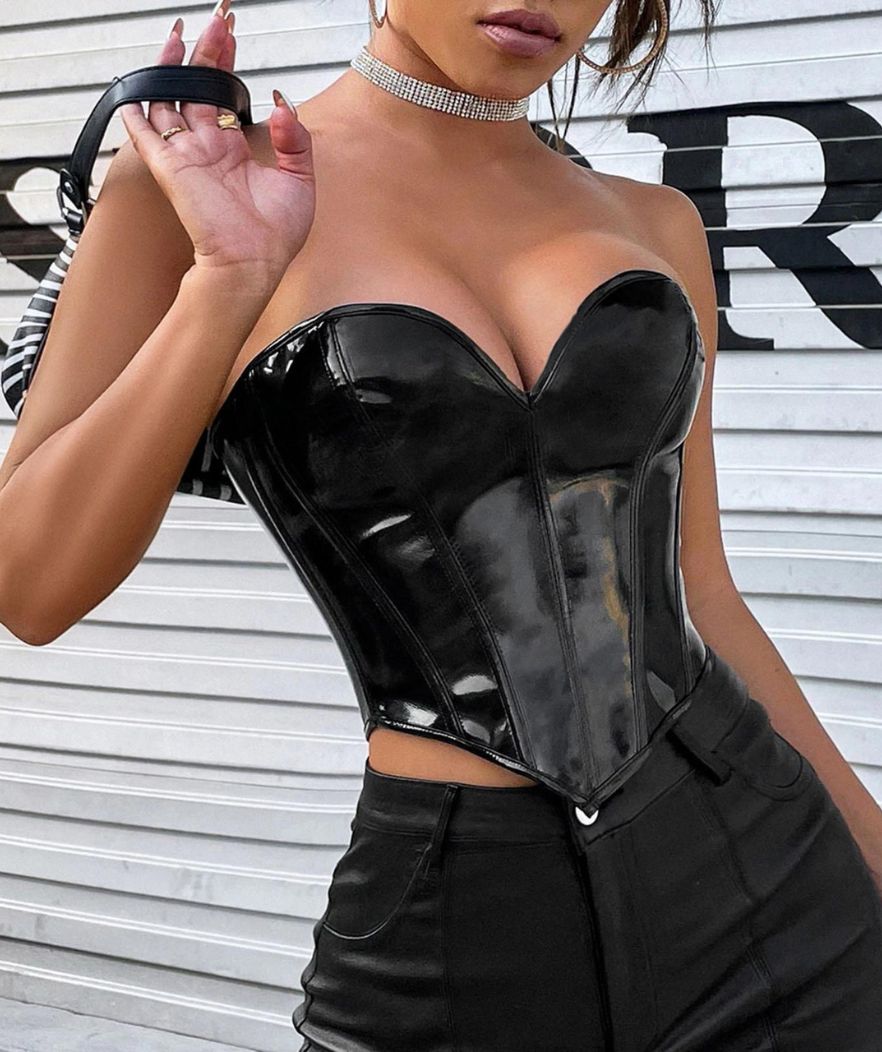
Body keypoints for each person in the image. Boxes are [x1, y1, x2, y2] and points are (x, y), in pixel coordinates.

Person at [1, 1, 880, 1048]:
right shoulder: (190, 191)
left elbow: (706, 595)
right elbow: (30, 588)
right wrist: (227, 278)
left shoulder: (655, 222)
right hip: (459, 912)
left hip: (766, 871)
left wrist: (874, 854)